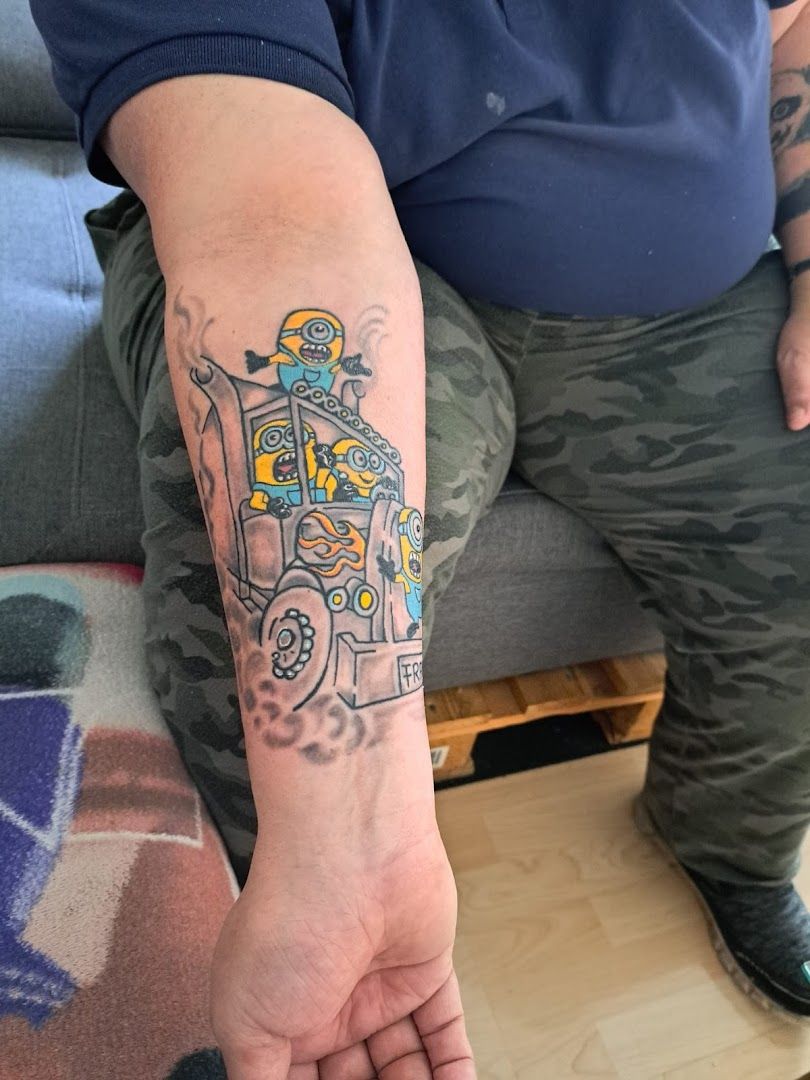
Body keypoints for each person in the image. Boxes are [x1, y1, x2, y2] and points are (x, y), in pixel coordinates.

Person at [29, 1, 810, 1074]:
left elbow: (790, 28)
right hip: (355, 241)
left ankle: (730, 840)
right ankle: (285, 900)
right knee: (244, 581)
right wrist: (346, 843)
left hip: (679, 304)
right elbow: (270, 210)